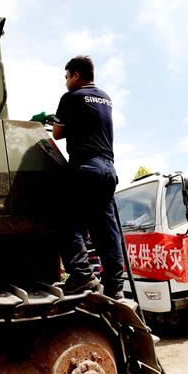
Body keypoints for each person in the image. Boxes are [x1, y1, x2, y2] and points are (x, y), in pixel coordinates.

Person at [51, 55, 124, 300]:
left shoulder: (71, 97)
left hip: (85, 168)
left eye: (66, 77)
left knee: (67, 219)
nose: (65, 82)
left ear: (76, 75)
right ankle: (115, 284)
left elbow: (58, 133)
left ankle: (81, 275)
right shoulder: (106, 98)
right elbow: (90, 123)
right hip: (108, 170)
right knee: (105, 227)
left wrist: (52, 121)